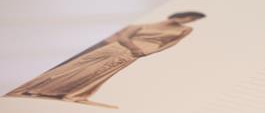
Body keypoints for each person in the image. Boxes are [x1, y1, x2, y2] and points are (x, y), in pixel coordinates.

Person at [6, 11, 205, 108]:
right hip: (121, 47)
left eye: (192, 20)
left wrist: (146, 52)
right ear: (179, 15)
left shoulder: (184, 30)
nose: (188, 21)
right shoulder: (143, 24)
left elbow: (170, 44)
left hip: (136, 53)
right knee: (78, 66)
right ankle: (34, 87)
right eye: (188, 17)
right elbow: (122, 36)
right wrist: (133, 47)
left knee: (99, 73)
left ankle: (69, 94)